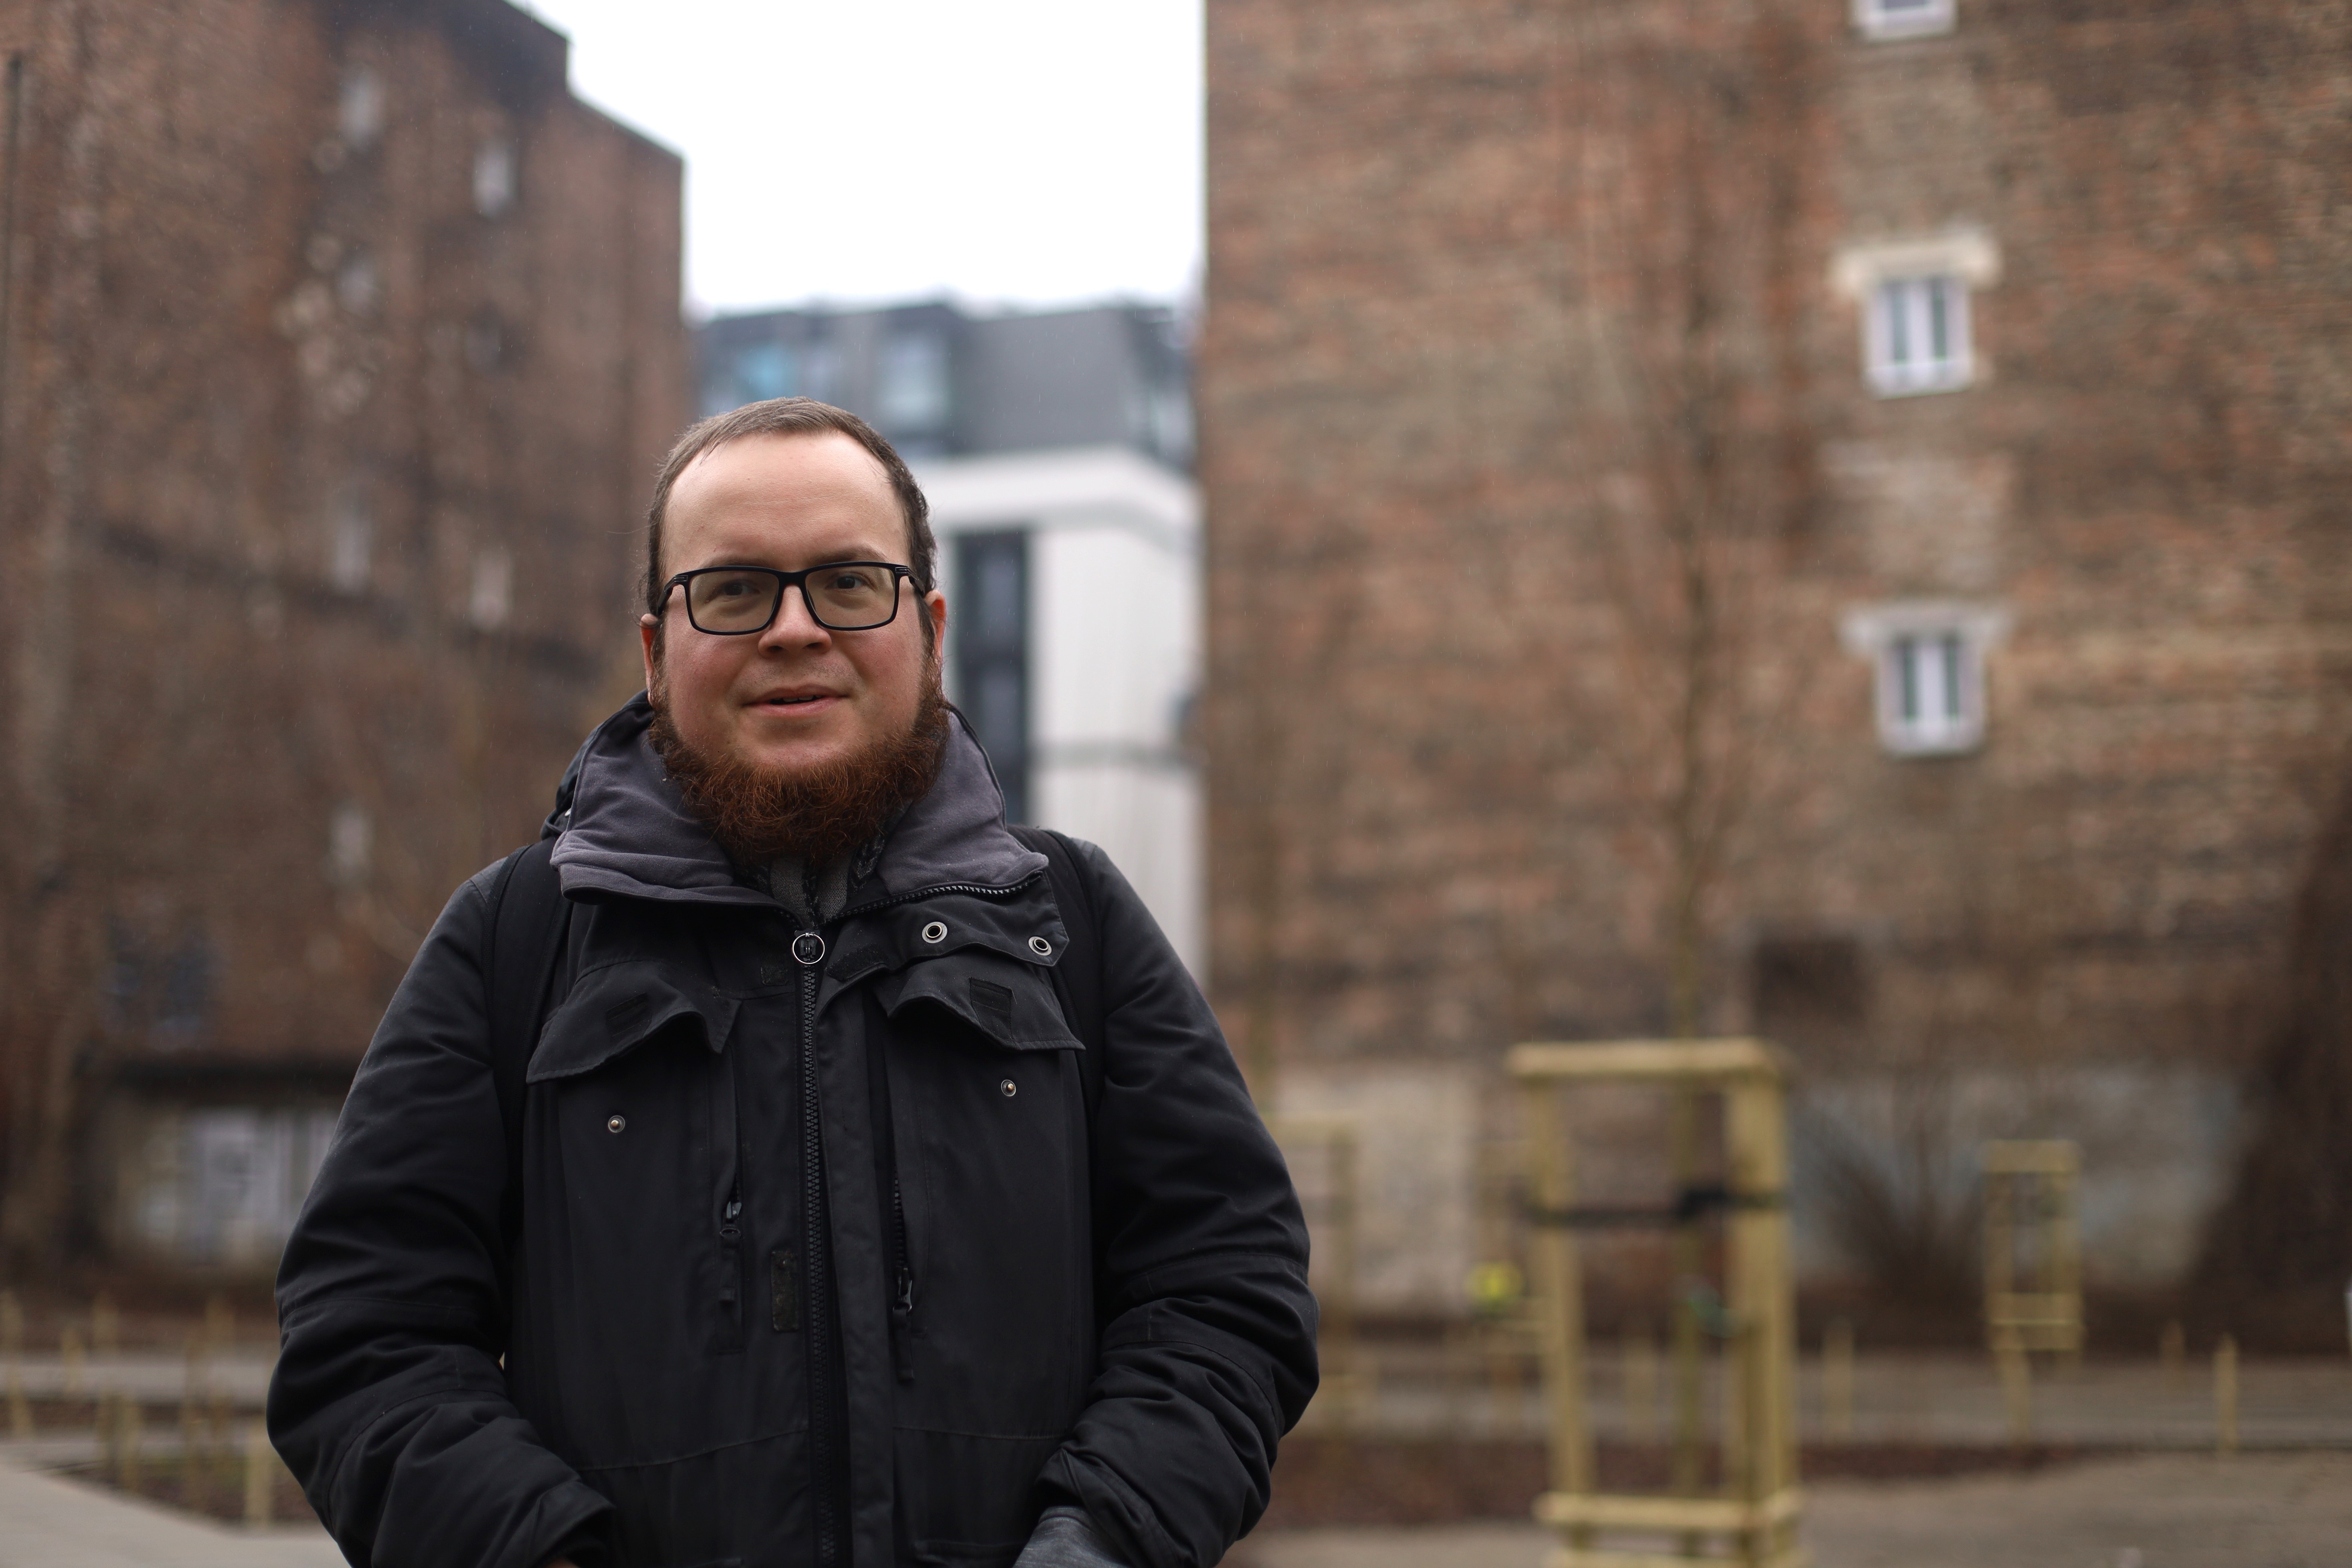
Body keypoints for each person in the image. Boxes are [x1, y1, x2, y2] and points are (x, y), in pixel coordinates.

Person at [268, 399, 1317, 1568]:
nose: (794, 629)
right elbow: (365, 1337)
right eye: (733, 591)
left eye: (849, 583)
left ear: (929, 630)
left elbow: (1227, 1292)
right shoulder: (514, 942)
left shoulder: (1074, 928)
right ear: (657, 653)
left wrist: (1104, 1536)